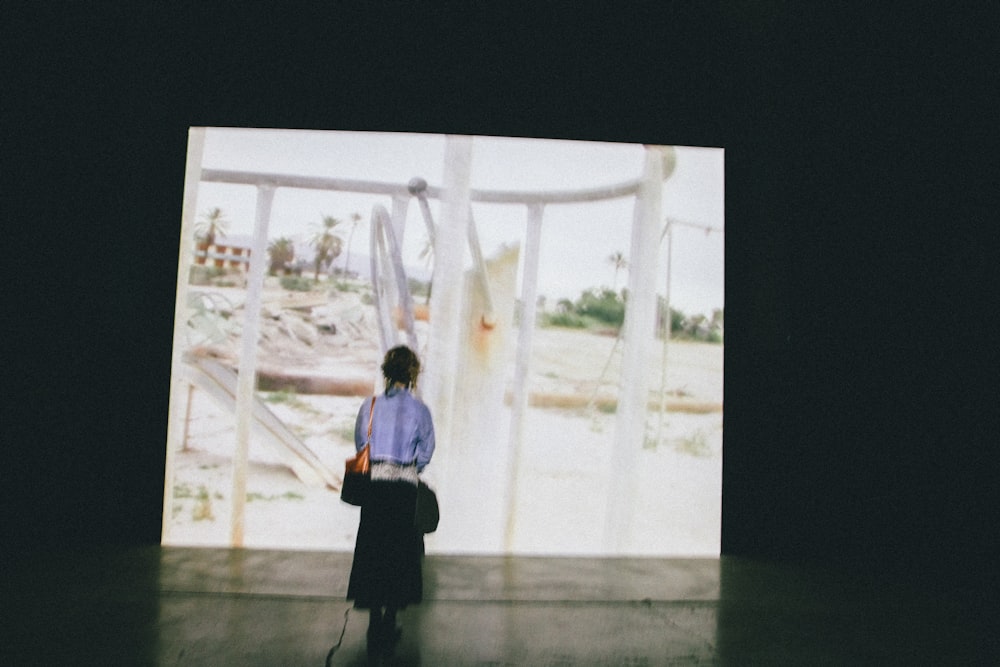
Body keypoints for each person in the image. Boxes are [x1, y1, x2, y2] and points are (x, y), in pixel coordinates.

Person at [347, 345, 435, 647]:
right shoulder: (420, 410)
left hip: (376, 489)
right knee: (400, 555)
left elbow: (362, 445)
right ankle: (390, 619)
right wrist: (411, 467)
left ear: (386, 371)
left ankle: (374, 621)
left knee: (374, 553)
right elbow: (426, 451)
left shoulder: (369, 406)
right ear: (413, 375)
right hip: (404, 492)